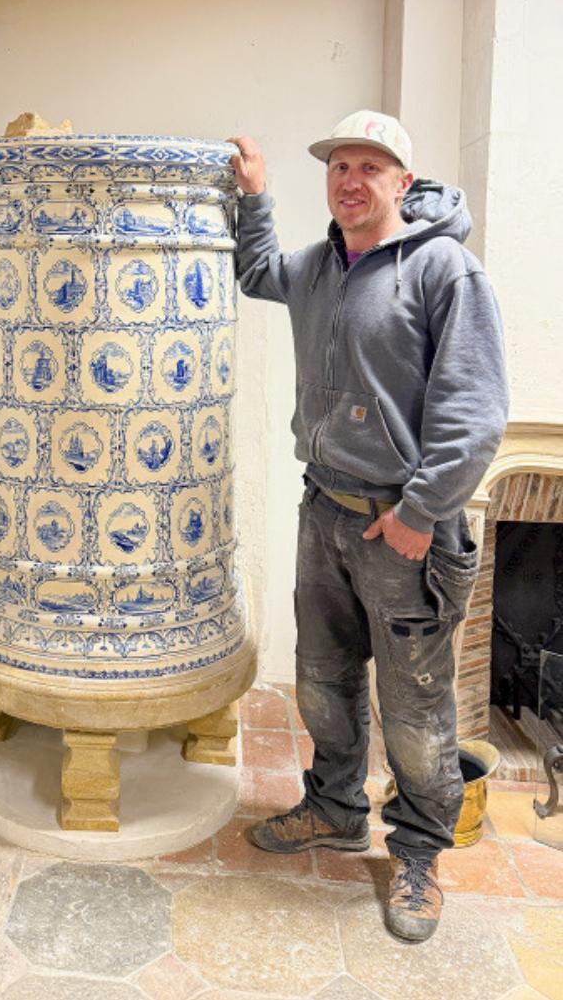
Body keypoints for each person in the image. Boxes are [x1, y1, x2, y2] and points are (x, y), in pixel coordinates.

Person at [229, 111, 507, 942]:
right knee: (323, 681)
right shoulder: (319, 266)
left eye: (370, 167)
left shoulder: (444, 269)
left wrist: (421, 512)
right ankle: (335, 807)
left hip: (402, 528)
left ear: (403, 183)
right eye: (339, 166)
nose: (350, 181)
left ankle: (417, 852)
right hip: (325, 510)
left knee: (415, 708)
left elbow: (474, 412)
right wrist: (254, 195)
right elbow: (256, 272)